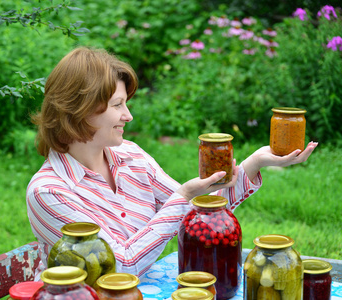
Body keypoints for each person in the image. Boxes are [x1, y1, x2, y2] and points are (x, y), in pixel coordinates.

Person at [26, 47, 318, 280]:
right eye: (117, 105)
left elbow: (199, 219)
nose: (128, 116)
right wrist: (181, 197)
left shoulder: (132, 156)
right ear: (80, 110)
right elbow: (119, 268)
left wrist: (255, 162)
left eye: (126, 103)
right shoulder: (49, 192)